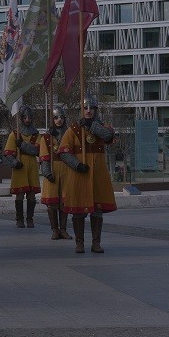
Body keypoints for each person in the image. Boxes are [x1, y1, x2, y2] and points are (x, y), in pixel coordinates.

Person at [58, 95, 117, 253]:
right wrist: (77, 165)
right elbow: (63, 152)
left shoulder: (103, 126)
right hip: (79, 175)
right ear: (81, 110)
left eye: (91, 108)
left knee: (97, 210)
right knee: (78, 211)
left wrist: (92, 125)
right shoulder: (73, 130)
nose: (88, 110)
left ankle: (96, 243)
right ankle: (79, 243)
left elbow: (109, 136)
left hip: (98, 175)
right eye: (85, 108)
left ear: (96, 110)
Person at [3, 105, 41, 228]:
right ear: (21, 119)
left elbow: (37, 150)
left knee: (31, 194)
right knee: (20, 194)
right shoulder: (14, 134)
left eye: (29, 117)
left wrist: (23, 145)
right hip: (20, 167)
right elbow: (8, 153)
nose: (27, 120)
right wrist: (15, 163)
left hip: (32, 167)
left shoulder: (36, 134)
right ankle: (19, 219)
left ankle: (30, 218)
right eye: (25, 117)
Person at [39, 105, 73, 240]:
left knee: (64, 202)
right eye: (55, 117)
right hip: (52, 171)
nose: (59, 120)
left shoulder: (69, 135)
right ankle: (54, 230)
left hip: (66, 170)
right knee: (52, 203)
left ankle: (63, 229)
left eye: (61, 117)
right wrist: (47, 172)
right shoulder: (46, 138)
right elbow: (44, 156)